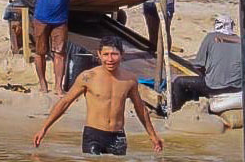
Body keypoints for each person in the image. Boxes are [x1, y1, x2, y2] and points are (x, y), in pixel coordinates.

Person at [30, 0, 128, 96]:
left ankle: (58, 87)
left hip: (60, 19)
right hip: (41, 17)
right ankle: (42, 84)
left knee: (60, 52)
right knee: (40, 52)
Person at [33, 37, 163, 155]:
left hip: (118, 136)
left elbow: (140, 108)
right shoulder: (88, 77)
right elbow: (65, 102)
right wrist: (44, 128)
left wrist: (153, 136)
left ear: (122, 55)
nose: (110, 59)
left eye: (114, 54)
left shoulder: (129, 80)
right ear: (99, 55)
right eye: (106, 54)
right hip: (94, 135)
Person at [169, 14, 242, 112]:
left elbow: (198, 65)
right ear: (232, 26)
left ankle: (176, 113)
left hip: (214, 87)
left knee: (179, 82)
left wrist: (205, 73)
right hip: (237, 87)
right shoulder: (239, 41)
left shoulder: (211, 37)